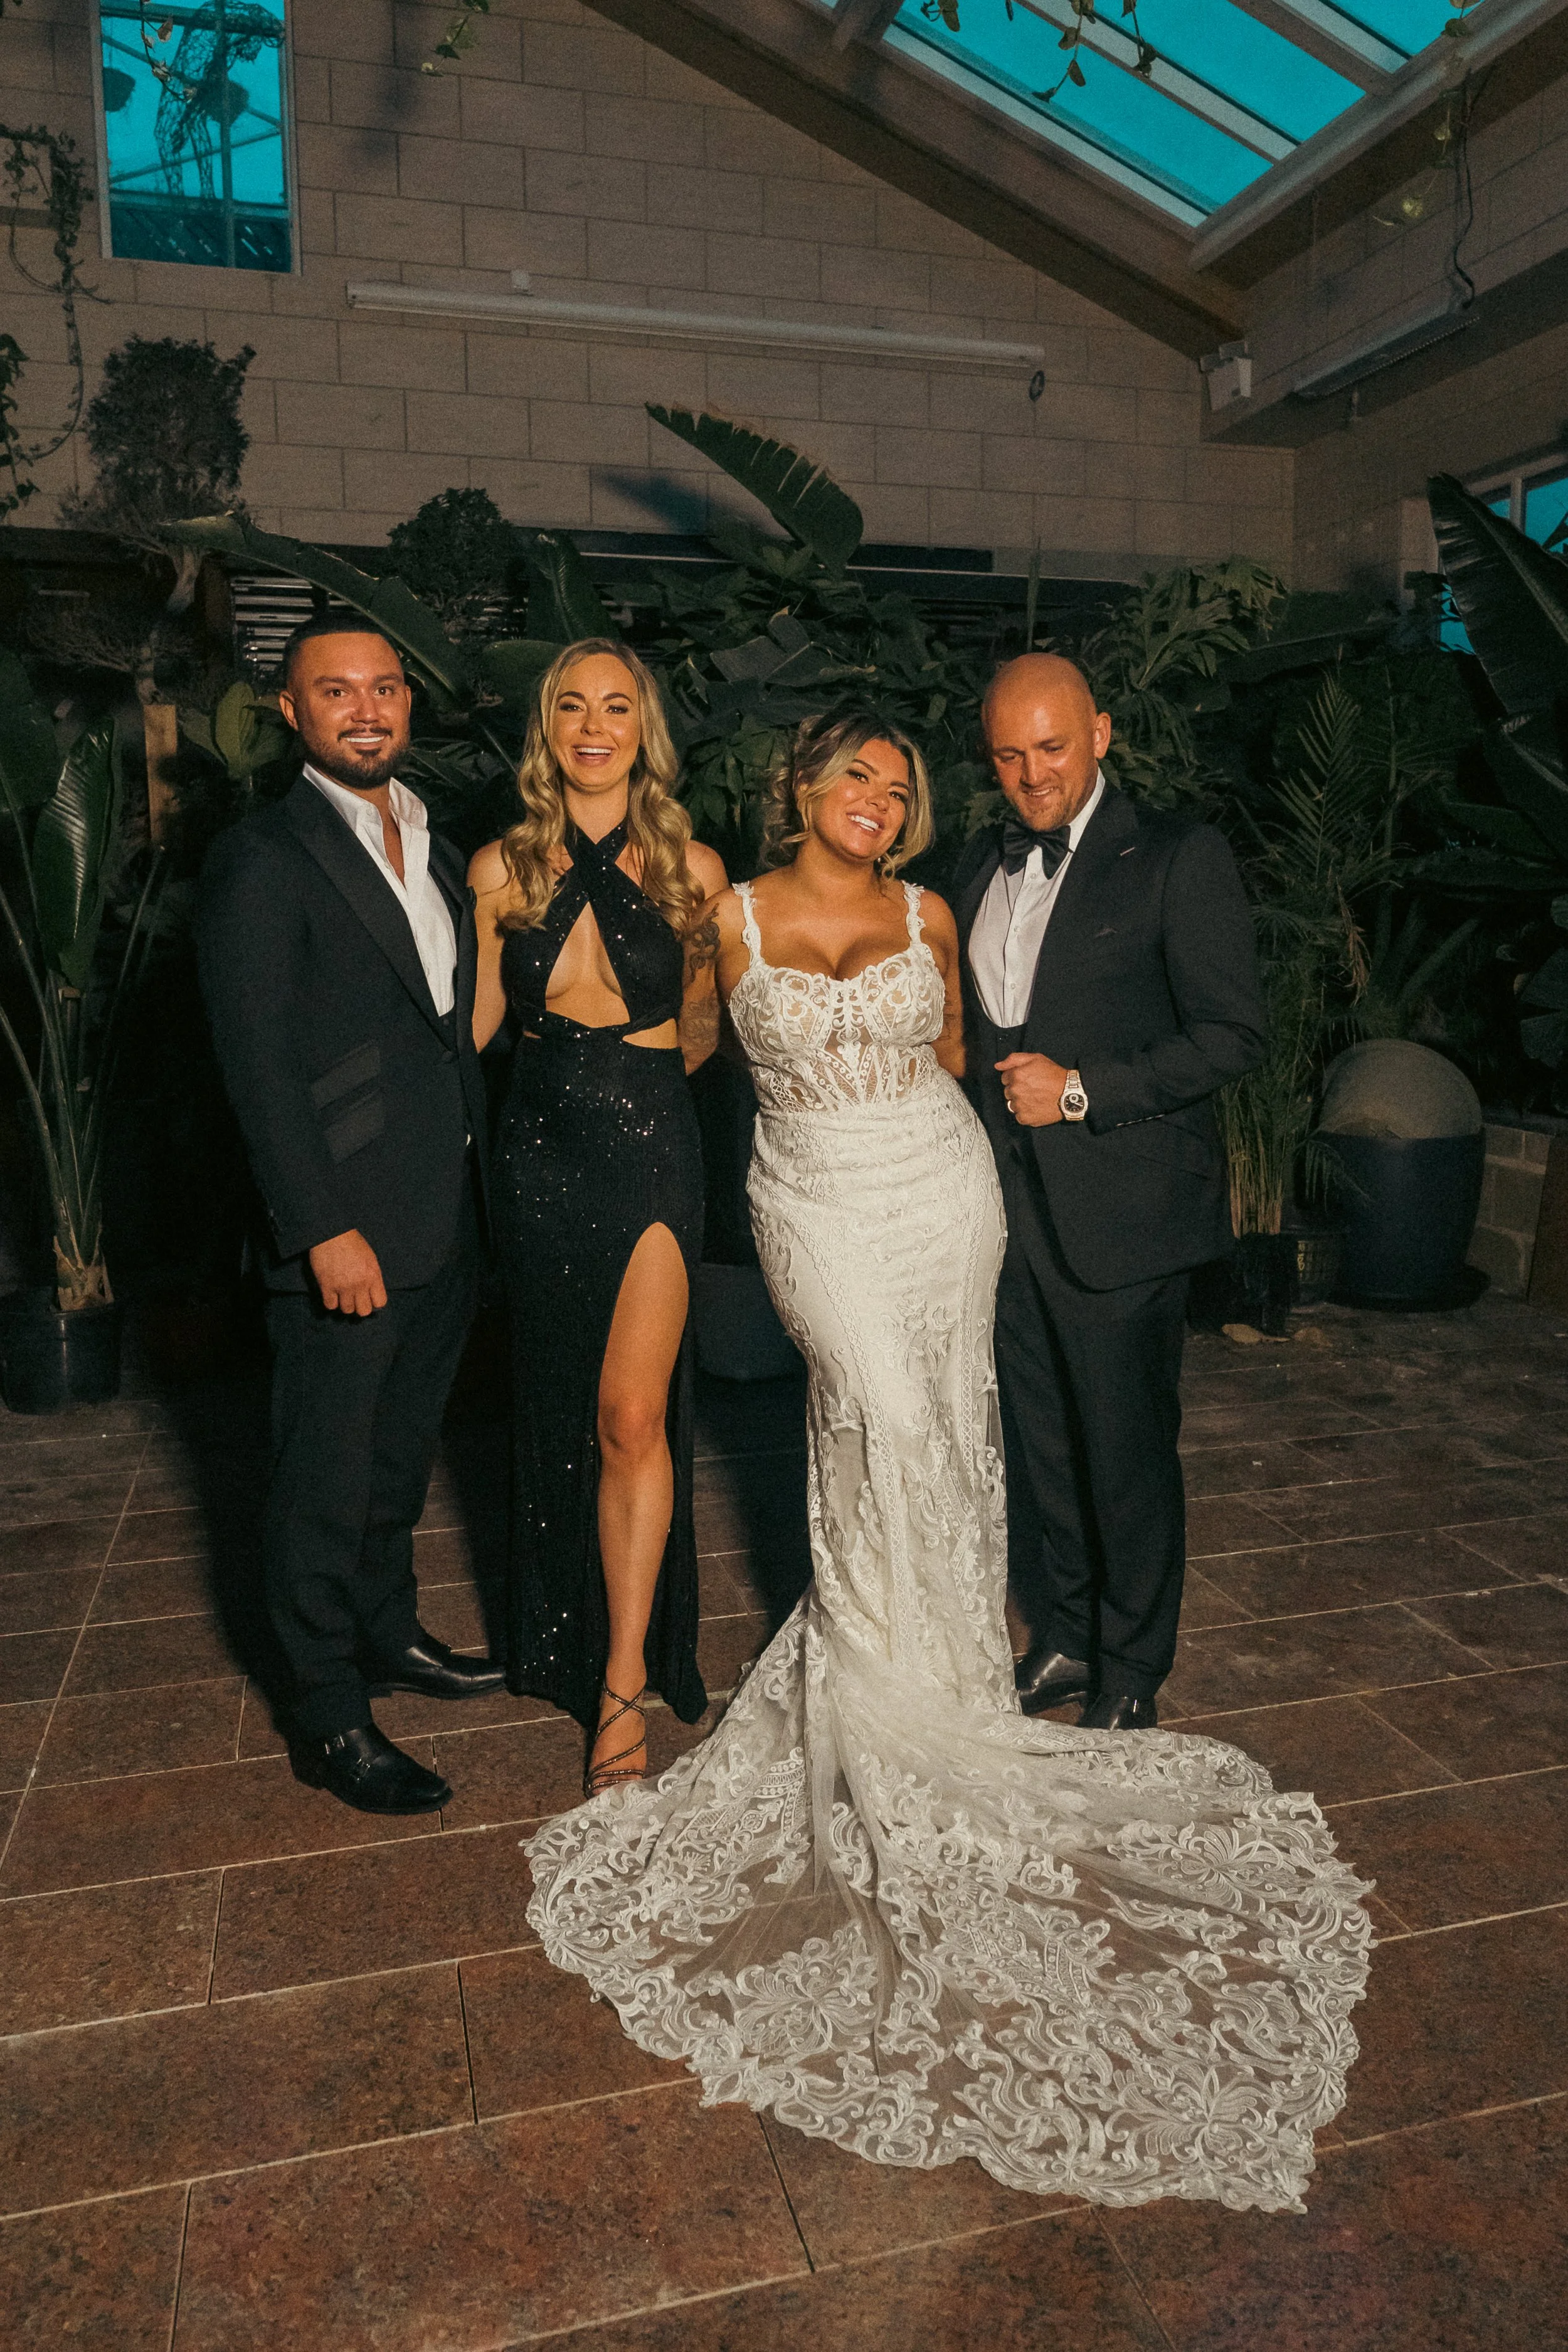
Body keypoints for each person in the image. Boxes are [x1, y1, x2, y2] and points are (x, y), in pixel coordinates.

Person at [525, 707, 1370, 2212]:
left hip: (940, 1190)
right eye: (855, 772)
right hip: (814, 1202)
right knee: (878, 1422)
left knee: (951, 1430)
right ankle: (887, 1698)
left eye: (900, 783)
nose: (879, 795)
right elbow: (681, 1050)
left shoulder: (933, 905)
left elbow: (966, 1057)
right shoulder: (722, 906)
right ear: (800, 783)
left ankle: (949, 1686)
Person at [197, 617, 502, 1818]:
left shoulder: (434, 841)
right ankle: (326, 1712)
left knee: (395, 1457)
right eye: (336, 689)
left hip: (440, 1217)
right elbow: (256, 1064)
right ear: (291, 711)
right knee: (321, 1476)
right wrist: (319, 1227)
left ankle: (388, 1634)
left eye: (384, 686)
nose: (366, 707)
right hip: (346, 1235)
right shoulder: (262, 859)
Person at [952, 653, 1266, 1731]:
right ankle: (1069, 1638)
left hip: (1125, 1216)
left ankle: (1133, 1665)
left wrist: (1084, 1090)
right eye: (1009, 752)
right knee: (1043, 1444)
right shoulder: (974, 867)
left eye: (1052, 745)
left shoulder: (1180, 856)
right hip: (1003, 1217)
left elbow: (1233, 1034)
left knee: (1127, 1450)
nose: (1032, 772)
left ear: (1102, 733)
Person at [469, 640, 727, 1795]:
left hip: (651, 1150)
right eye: (571, 705)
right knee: (561, 1408)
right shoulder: (496, 871)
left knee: (632, 1414)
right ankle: (568, 1634)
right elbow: (467, 1035)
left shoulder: (695, 871)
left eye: (615, 705)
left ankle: (622, 1677)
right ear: (547, 728)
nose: (592, 724)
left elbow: (712, 1032)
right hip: (536, 1157)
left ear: (644, 728)